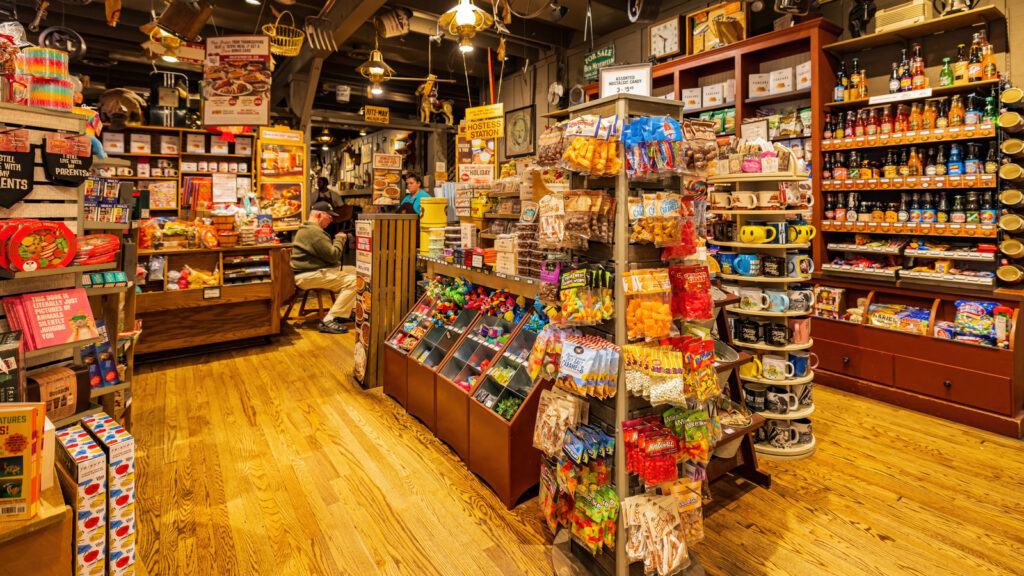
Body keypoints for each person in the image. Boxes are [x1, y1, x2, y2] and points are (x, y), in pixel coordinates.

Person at [291, 201, 358, 334]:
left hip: (311, 272)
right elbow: (333, 256)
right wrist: (339, 239)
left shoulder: (309, 229)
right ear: (319, 215)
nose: (332, 220)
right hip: (309, 276)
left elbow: (327, 256)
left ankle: (344, 312)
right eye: (330, 216)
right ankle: (329, 320)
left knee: (354, 271)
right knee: (355, 281)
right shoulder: (314, 232)